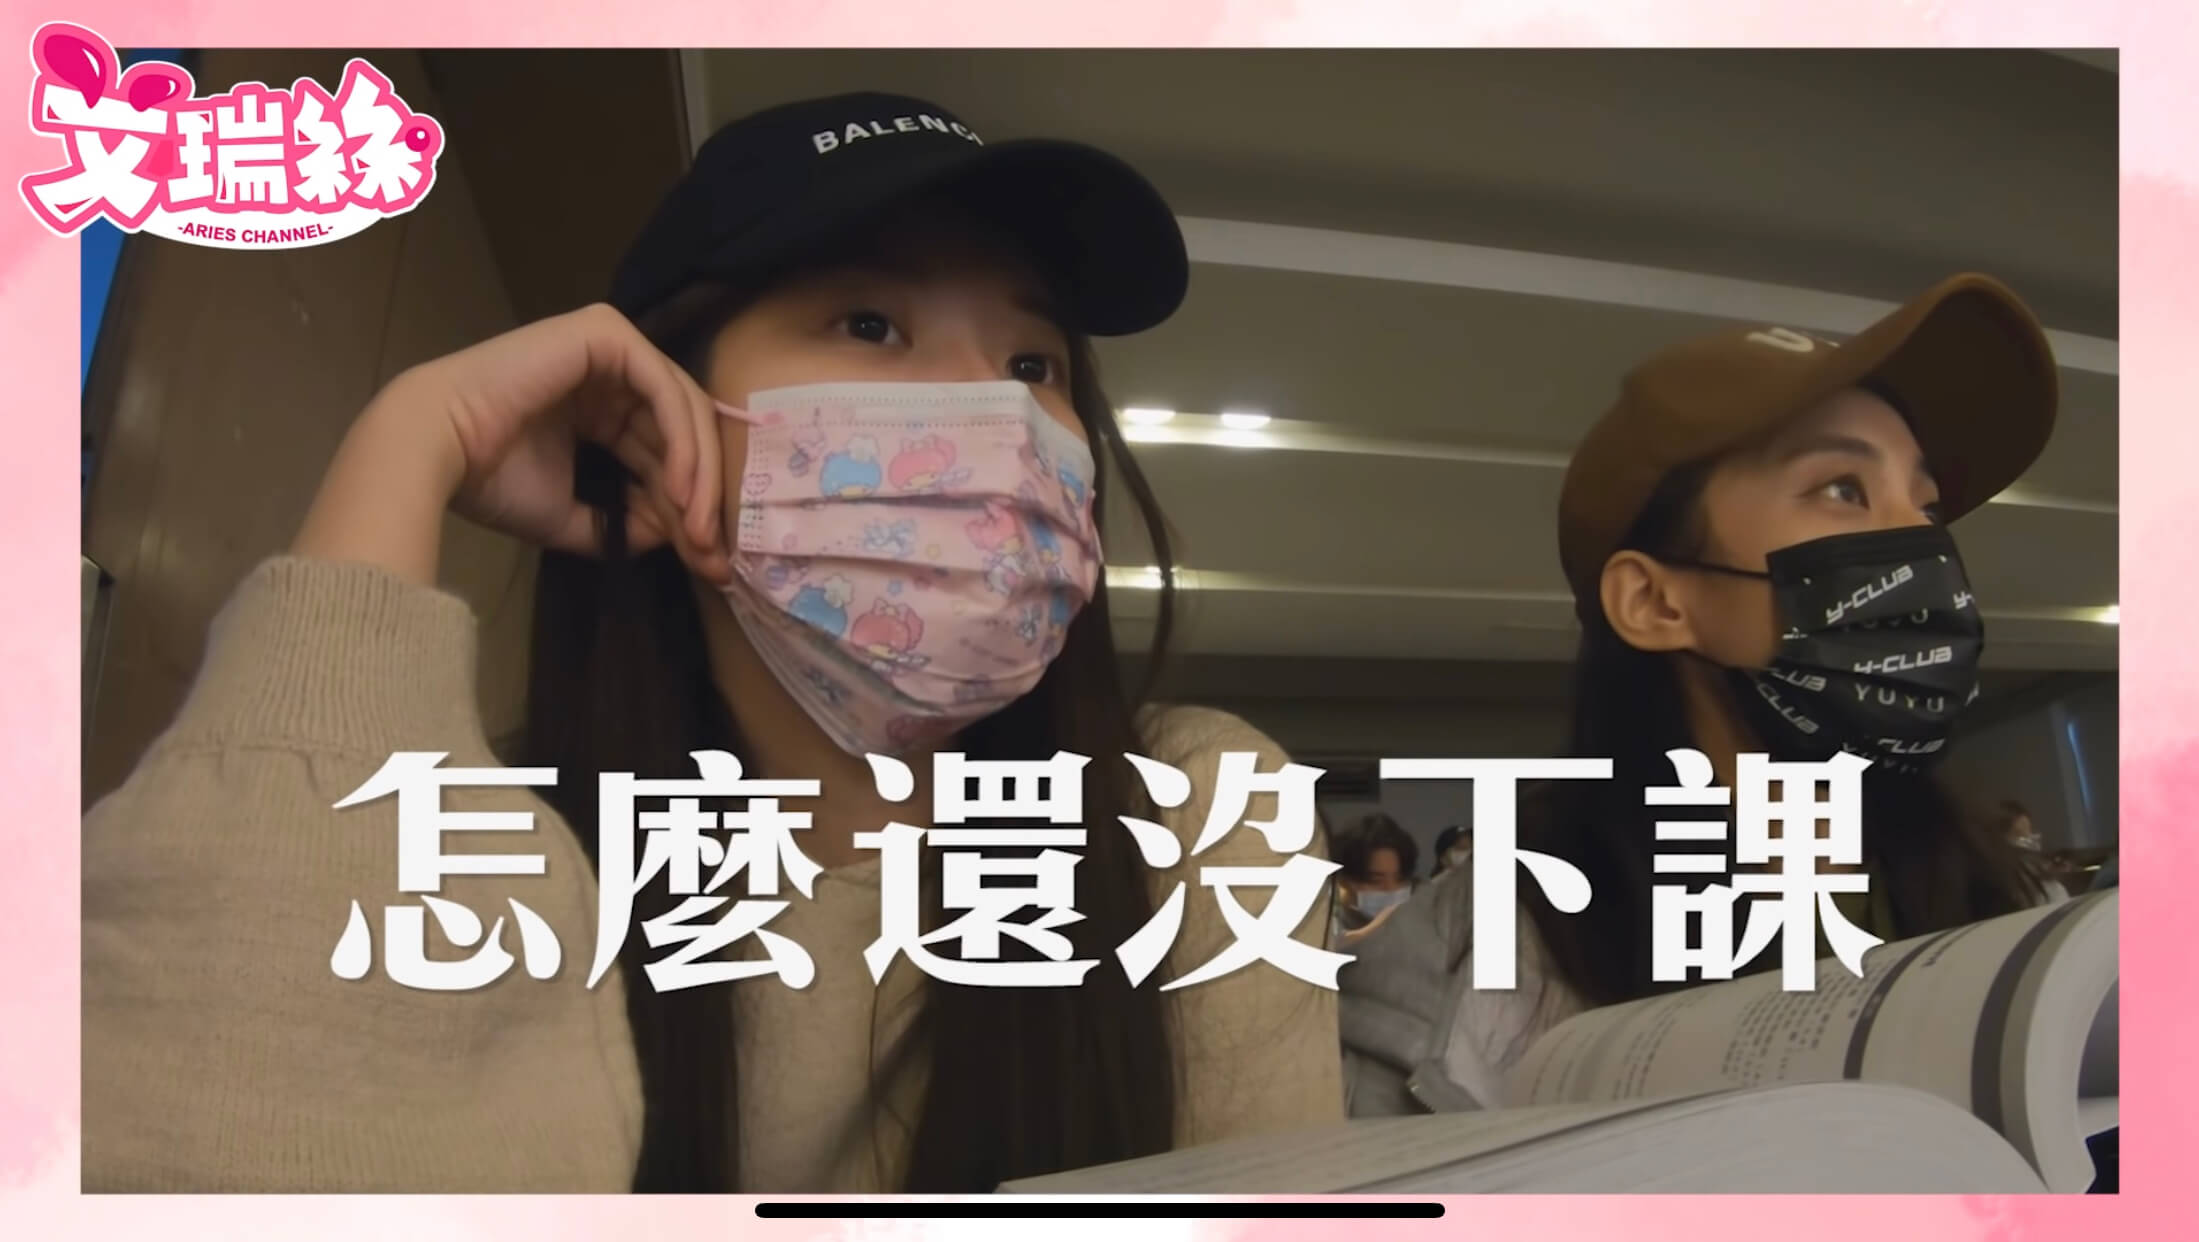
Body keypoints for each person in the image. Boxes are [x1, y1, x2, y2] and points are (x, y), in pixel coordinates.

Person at [82, 92, 1341, 1193]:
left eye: (1033, 360)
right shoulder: (497, 850)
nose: (997, 409)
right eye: (870, 324)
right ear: (654, 405)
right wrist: (410, 445)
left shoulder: (1194, 815)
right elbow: (218, 1140)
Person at [1339, 274, 2058, 1117]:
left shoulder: (2012, 902)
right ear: (1655, 602)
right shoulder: (1467, 965)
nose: (1920, 546)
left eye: (1927, 508)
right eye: (1843, 489)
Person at [1331, 813, 1418, 947]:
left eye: (1400, 879)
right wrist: (1370, 931)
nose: (1391, 888)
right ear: (1344, 881)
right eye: (1376, 881)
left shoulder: (1418, 919)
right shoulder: (1326, 922)